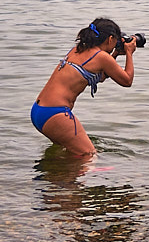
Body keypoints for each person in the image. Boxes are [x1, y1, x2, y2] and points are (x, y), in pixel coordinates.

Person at [31, 18, 136, 157]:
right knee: (89, 156)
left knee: (65, 154)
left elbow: (101, 76)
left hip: (39, 111)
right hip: (55, 114)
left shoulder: (77, 50)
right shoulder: (102, 57)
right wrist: (129, 52)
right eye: (116, 41)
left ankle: (58, 176)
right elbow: (127, 80)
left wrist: (115, 54)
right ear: (110, 39)